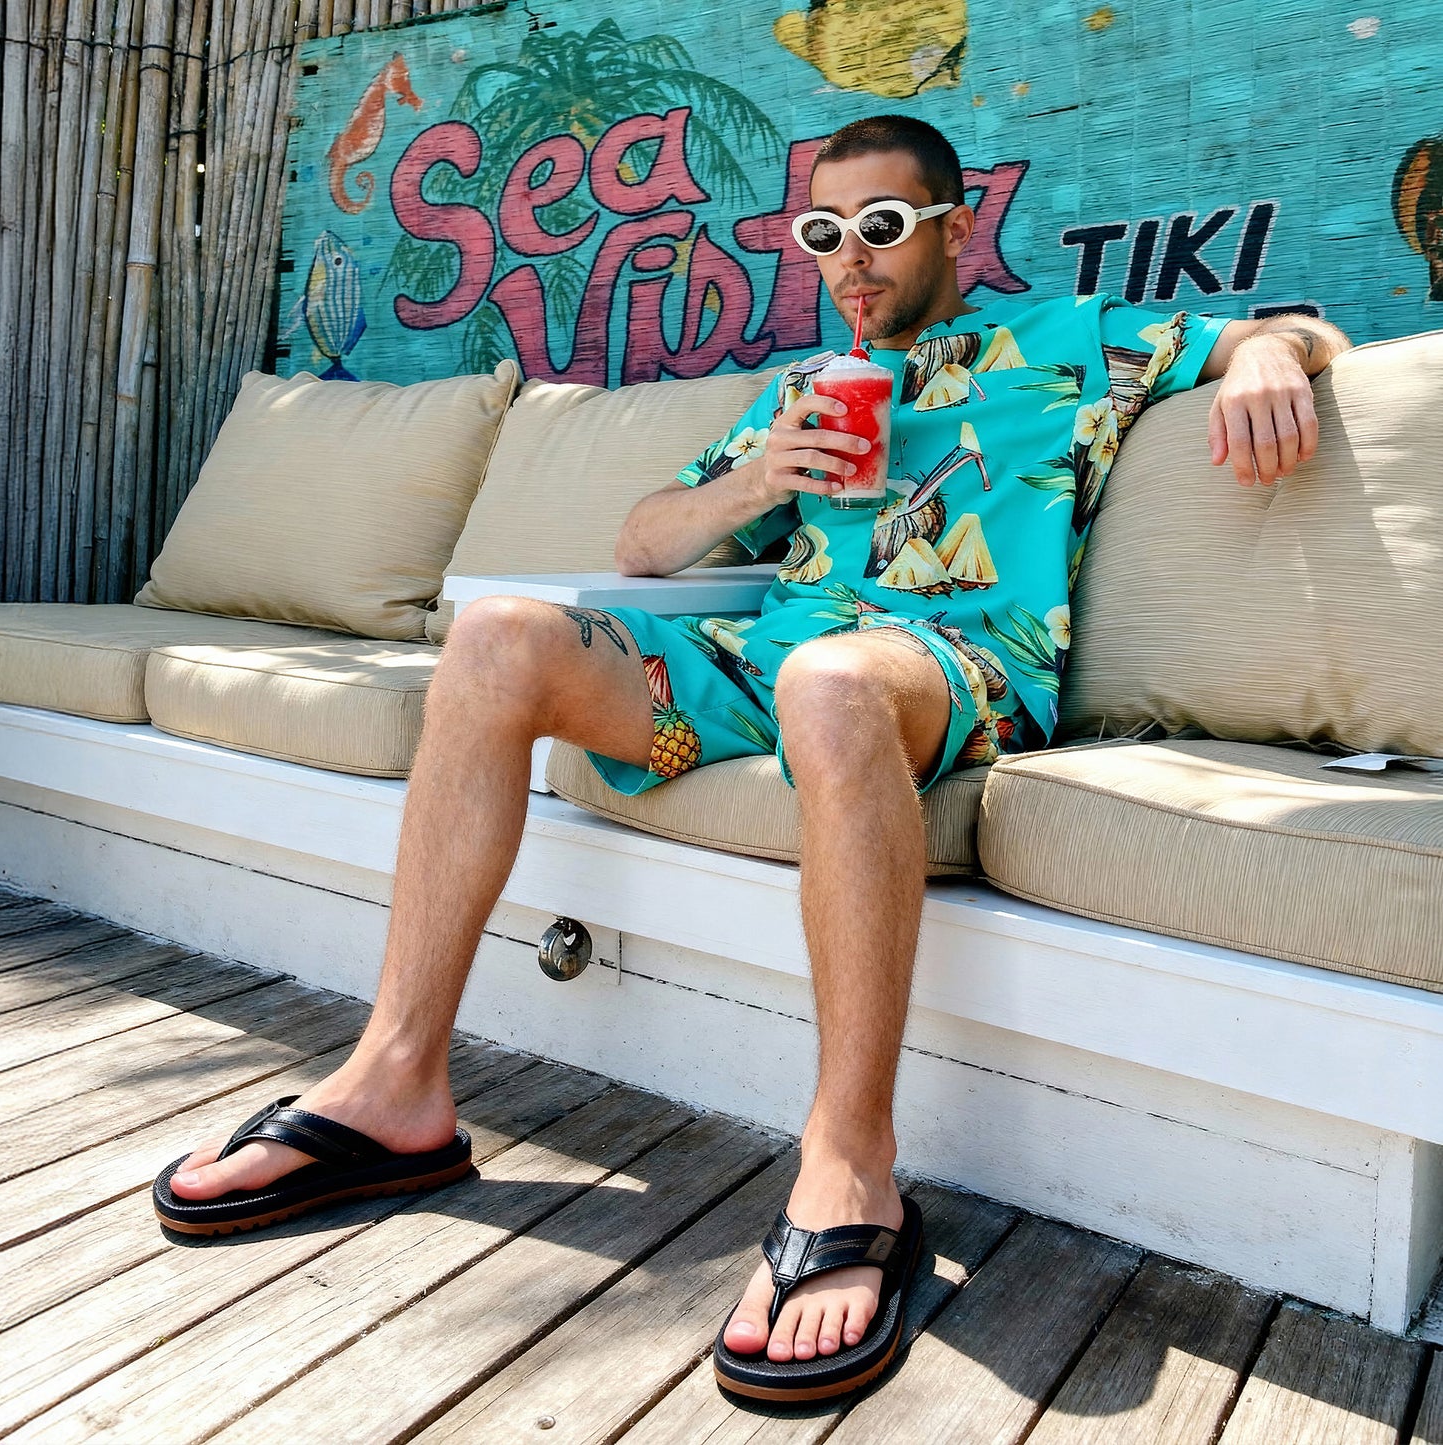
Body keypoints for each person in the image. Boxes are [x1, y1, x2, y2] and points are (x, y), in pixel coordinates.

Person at [152, 115, 1352, 1401]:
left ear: (956, 223)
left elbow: (1292, 331)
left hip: (951, 666)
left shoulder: (1066, 343)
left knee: (829, 681)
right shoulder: (799, 387)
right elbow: (644, 544)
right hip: (761, 662)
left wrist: (1269, 359)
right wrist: (752, 482)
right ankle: (397, 1084)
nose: (850, 259)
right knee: (500, 637)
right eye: (821, 235)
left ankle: (850, 1164)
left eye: (881, 227)